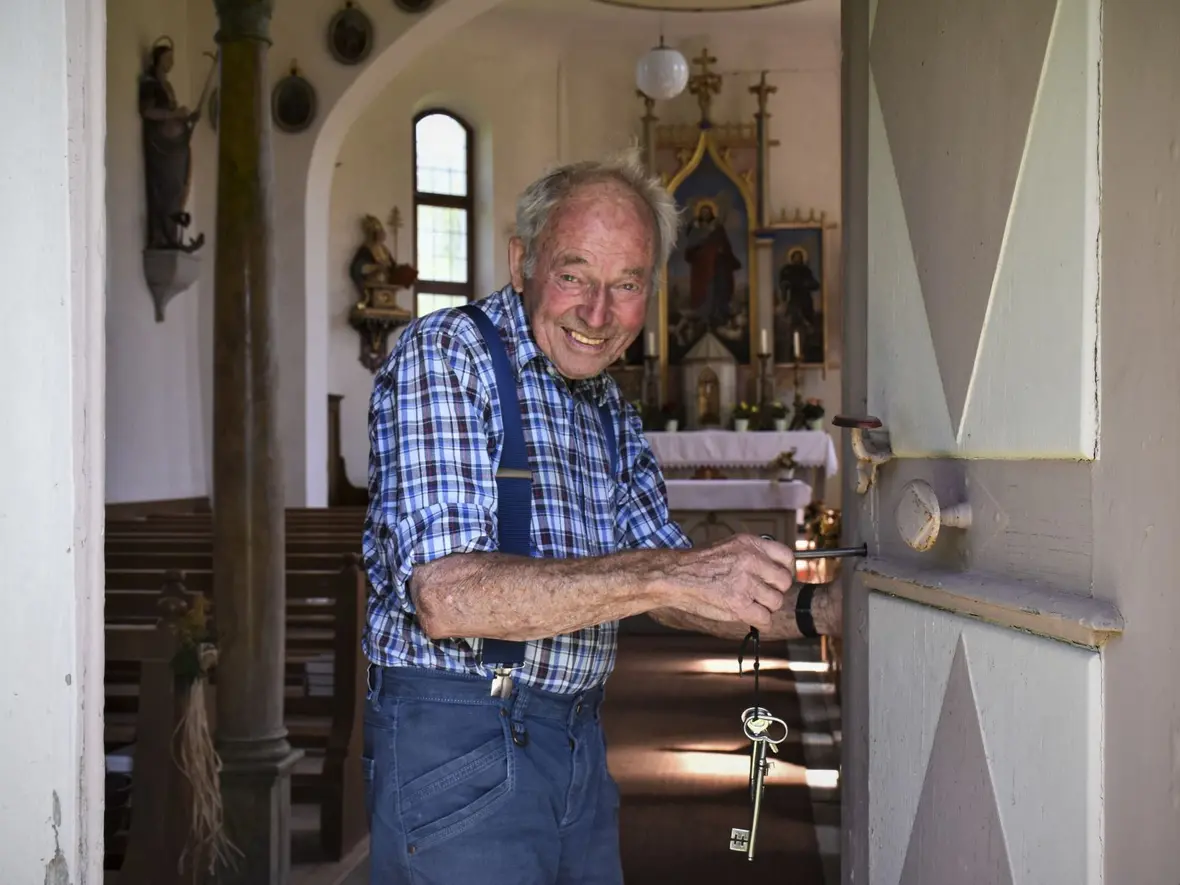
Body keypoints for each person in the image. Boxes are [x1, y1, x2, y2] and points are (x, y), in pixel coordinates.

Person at [361, 151, 843, 885]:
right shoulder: (448, 355)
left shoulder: (607, 408)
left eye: (626, 285)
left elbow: (682, 592)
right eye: (574, 275)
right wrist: (671, 572)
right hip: (461, 741)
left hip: (577, 739)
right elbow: (447, 597)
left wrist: (825, 609)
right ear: (522, 262)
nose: (597, 313)